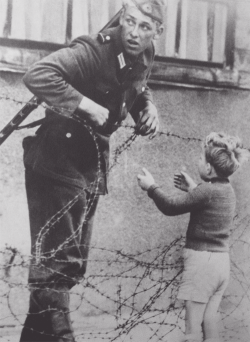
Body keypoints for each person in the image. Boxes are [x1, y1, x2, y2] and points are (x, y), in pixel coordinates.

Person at [19, 1, 164, 341]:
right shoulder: (93, 49)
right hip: (56, 163)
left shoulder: (145, 54)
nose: (133, 31)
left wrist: (147, 105)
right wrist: (85, 105)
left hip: (89, 168)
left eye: (145, 27)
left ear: (157, 32)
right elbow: (37, 74)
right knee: (58, 265)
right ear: (122, 18)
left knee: (70, 264)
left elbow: (138, 84)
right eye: (130, 21)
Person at [137, 132, 249, 342]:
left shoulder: (205, 192)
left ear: (208, 168)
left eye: (200, 159)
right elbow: (210, 201)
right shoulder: (227, 191)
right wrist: (193, 188)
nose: (198, 161)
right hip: (221, 264)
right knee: (210, 322)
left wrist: (151, 187)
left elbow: (171, 206)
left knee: (192, 329)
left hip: (202, 265)